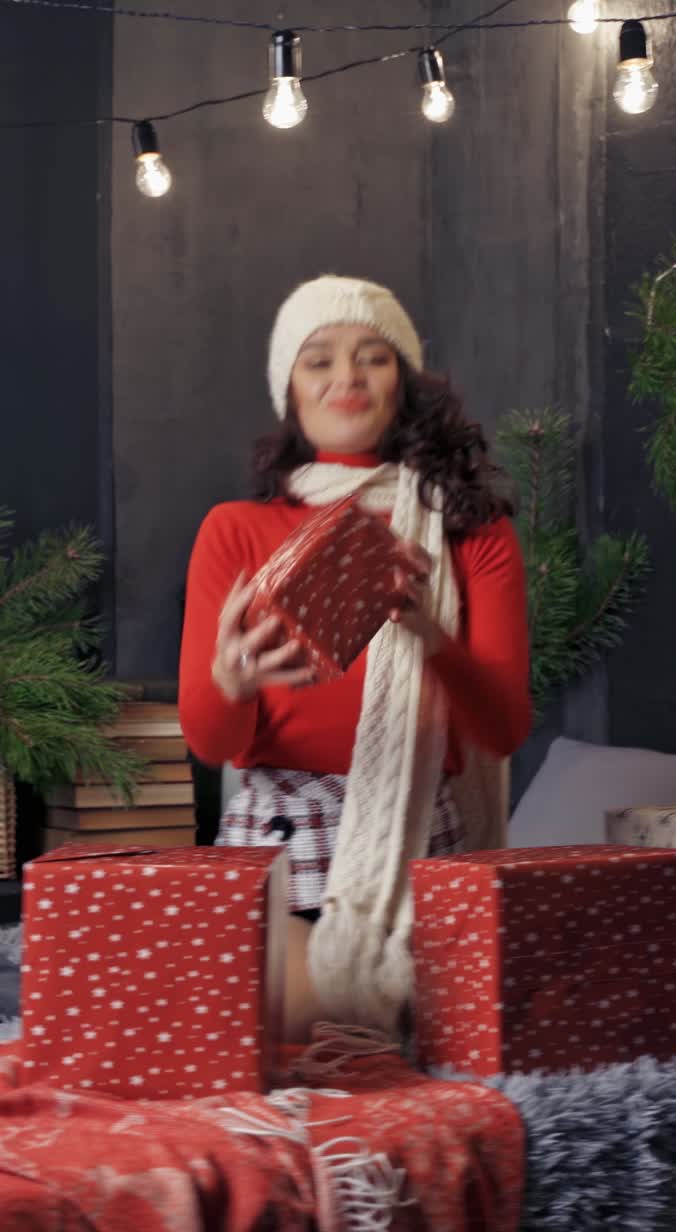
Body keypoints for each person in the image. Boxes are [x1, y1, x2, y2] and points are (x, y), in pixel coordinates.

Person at [178, 274, 531, 1041]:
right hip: (284, 831)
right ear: (290, 391)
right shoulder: (236, 530)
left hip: (419, 830)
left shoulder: (473, 533)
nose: (347, 377)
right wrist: (230, 681)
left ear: (405, 383)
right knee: (289, 1033)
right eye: (319, 360)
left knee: (423, 1044)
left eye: (373, 356)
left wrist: (431, 638)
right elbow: (210, 742)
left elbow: (504, 730)